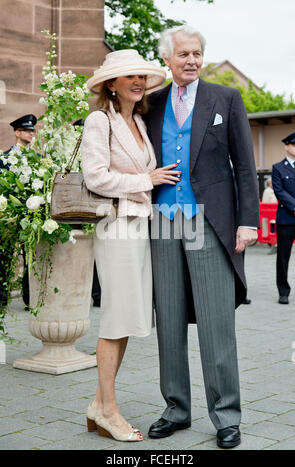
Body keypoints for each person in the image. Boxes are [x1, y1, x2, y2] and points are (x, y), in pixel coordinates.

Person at [145, 25, 259, 449]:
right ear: (168, 60)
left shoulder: (225, 99)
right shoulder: (151, 103)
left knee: (216, 323)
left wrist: (248, 221)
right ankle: (176, 407)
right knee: (169, 320)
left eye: (197, 53)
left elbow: (245, 166)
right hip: (162, 220)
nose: (191, 60)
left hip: (209, 223)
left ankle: (227, 415)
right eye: (183, 54)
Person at [81, 50, 179, 442]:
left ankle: (97, 404)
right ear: (111, 84)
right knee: (115, 320)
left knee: (126, 320)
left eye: (141, 76)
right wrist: (146, 180)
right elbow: (95, 177)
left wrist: (148, 180)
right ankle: (108, 410)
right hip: (115, 229)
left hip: (140, 229)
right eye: (129, 77)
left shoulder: (139, 120)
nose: (138, 82)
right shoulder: (98, 120)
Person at [0, 114, 37, 309]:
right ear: (17, 132)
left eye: (33, 131)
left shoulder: (38, 158)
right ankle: (1, 298)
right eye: (27, 130)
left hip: (29, 214)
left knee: (30, 257)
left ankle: (29, 299)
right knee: (4, 256)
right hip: (8, 215)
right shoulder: (4, 158)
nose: (31, 133)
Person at [73, 118, 102, 308]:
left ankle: (98, 294)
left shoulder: (97, 150)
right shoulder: (72, 151)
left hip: (95, 207)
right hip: (75, 208)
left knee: (97, 254)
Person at [272, 131, 295, 304]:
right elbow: (279, 190)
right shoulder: (278, 167)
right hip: (286, 219)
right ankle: (283, 291)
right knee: (283, 257)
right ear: (286, 146)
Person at [262, 178, 277, 254]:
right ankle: (273, 246)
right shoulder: (267, 191)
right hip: (270, 215)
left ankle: (275, 246)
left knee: (274, 231)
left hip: (274, 215)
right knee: (272, 231)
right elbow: (265, 203)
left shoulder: (273, 190)